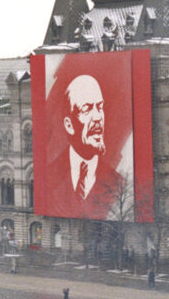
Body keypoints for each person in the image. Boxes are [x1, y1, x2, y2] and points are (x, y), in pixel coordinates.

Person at [44, 74, 123, 218]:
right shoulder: (48, 176)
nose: (98, 117)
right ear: (69, 125)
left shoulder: (118, 182)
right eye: (87, 109)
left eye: (100, 107)